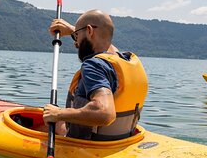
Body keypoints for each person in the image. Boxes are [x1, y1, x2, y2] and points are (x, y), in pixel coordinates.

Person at [42, 10, 148, 141]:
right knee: (55, 118)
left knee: (45, 123)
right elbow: (106, 43)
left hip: (89, 144)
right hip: (122, 140)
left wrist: (59, 113)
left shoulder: (93, 66)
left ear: (89, 31)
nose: (76, 43)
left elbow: (105, 113)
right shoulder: (124, 60)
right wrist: (72, 30)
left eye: (78, 35)